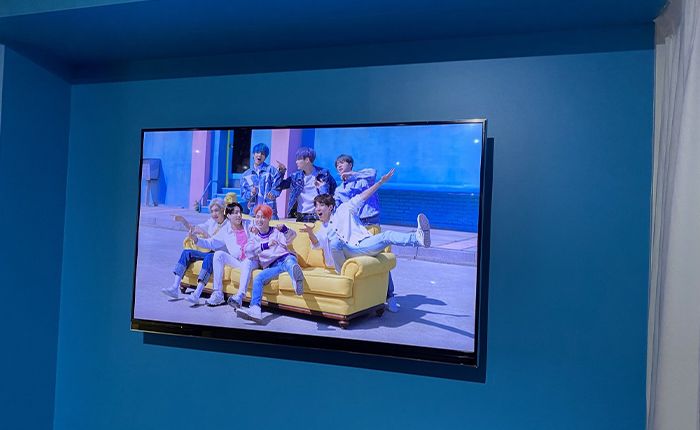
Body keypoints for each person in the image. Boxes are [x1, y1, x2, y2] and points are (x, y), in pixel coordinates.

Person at [300, 169, 430, 302]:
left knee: (387, 235)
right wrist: (310, 233)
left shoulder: (344, 209)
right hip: (345, 256)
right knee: (335, 242)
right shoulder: (322, 228)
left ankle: (417, 239)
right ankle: (343, 274)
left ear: (330, 207)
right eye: (316, 206)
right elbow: (317, 244)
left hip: (361, 245)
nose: (317, 209)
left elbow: (362, 196)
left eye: (321, 205)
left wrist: (380, 182)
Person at [332, 154, 400, 312]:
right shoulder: (340, 189)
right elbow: (335, 209)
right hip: (353, 228)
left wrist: (352, 175)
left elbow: (373, 173)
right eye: (337, 165)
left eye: (342, 163)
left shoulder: (363, 179)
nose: (339, 166)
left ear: (350, 164)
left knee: (380, 258)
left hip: (369, 223)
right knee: (357, 260)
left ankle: (390, 295)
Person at [235, 204, 305, 323]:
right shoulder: (255, 238)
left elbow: (291, 237)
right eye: (257, 217)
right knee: (258, 279)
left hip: (285, 258)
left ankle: (296, 281)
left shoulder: (276, 231)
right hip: (272, 266)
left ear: (269, 219)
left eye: (263, 217)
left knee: (290, 262)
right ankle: (255, 309)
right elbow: (248, 252)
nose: (259, 220)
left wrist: (285, 229)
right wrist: (265, 245)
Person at [186, 202, 258, 306]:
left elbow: (262, 227)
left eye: (240, 212)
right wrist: (196, 239)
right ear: (228, 215)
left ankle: (240, 296)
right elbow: (211, 242)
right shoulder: (226, 230)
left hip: (252, 260)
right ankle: (218, 293)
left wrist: (256, 230)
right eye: (236, 213)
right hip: (238, 261)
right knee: (219, 254)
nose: (239, 215)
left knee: (247, 262)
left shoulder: (249, 224)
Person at [161, 198, 228, 300]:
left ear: (223, 210)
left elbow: (215, 243)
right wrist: (182, 220)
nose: (214, 214)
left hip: (220, 255)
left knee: (209, 257)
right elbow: (194, 229)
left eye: (216, 210)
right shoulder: (212, 222)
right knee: (187, 253)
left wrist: (204, 233)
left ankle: (197, 293)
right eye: (212, 211)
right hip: (210, 251)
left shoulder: (227, 225)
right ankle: (175, 287)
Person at [277, 147, 337, 222]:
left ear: (307, 160)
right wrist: (281, 172)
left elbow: (334, 191)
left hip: (319, 215)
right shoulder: (295, 176)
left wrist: (323, 188)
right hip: (301, 215)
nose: (296, 162)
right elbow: (279, 186)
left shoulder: (323, 174)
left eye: (298, 159)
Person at [240, 143, 283, 219]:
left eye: (262, 154)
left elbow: (278, 187)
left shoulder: (271, 171)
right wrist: (251, 193)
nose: (259, 155)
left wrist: (273, 193)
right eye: (257, 152)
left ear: (265, 157)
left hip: (269, 213)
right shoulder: (246, 175)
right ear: (253, 154)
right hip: (254, 213)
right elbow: (244, 195)